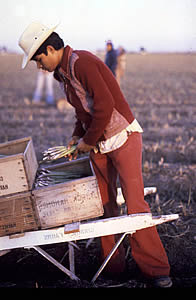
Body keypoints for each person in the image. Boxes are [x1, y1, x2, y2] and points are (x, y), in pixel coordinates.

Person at [18, 22, 172, 288]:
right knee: (104, 205)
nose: (39, 66)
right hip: (99, 143)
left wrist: (87, 142)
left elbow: (105, 104)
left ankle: (157, 271)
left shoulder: (83, 63)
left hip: (122, 138)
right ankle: (113, 268)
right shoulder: (63, 74)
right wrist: (78, 135)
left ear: (52, 49)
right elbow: (84, 110)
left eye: (39, 59)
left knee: (135, 205)